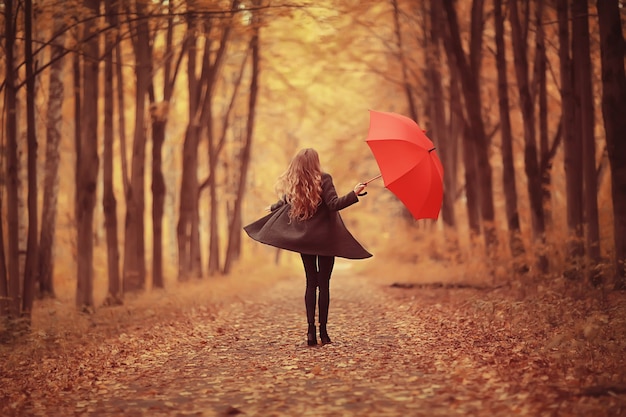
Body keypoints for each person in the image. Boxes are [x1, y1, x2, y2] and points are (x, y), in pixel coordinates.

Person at [244, 148, 372, 346]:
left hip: (307, 241)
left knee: (311, 283)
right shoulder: (325, 178)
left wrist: (273, 207)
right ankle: (324, 333)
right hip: (327, 241)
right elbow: (334, 204)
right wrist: (354, 193)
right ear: (316, 162)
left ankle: (310, 333)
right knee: (324, 284)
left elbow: (287, 200)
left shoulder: (298, 183)